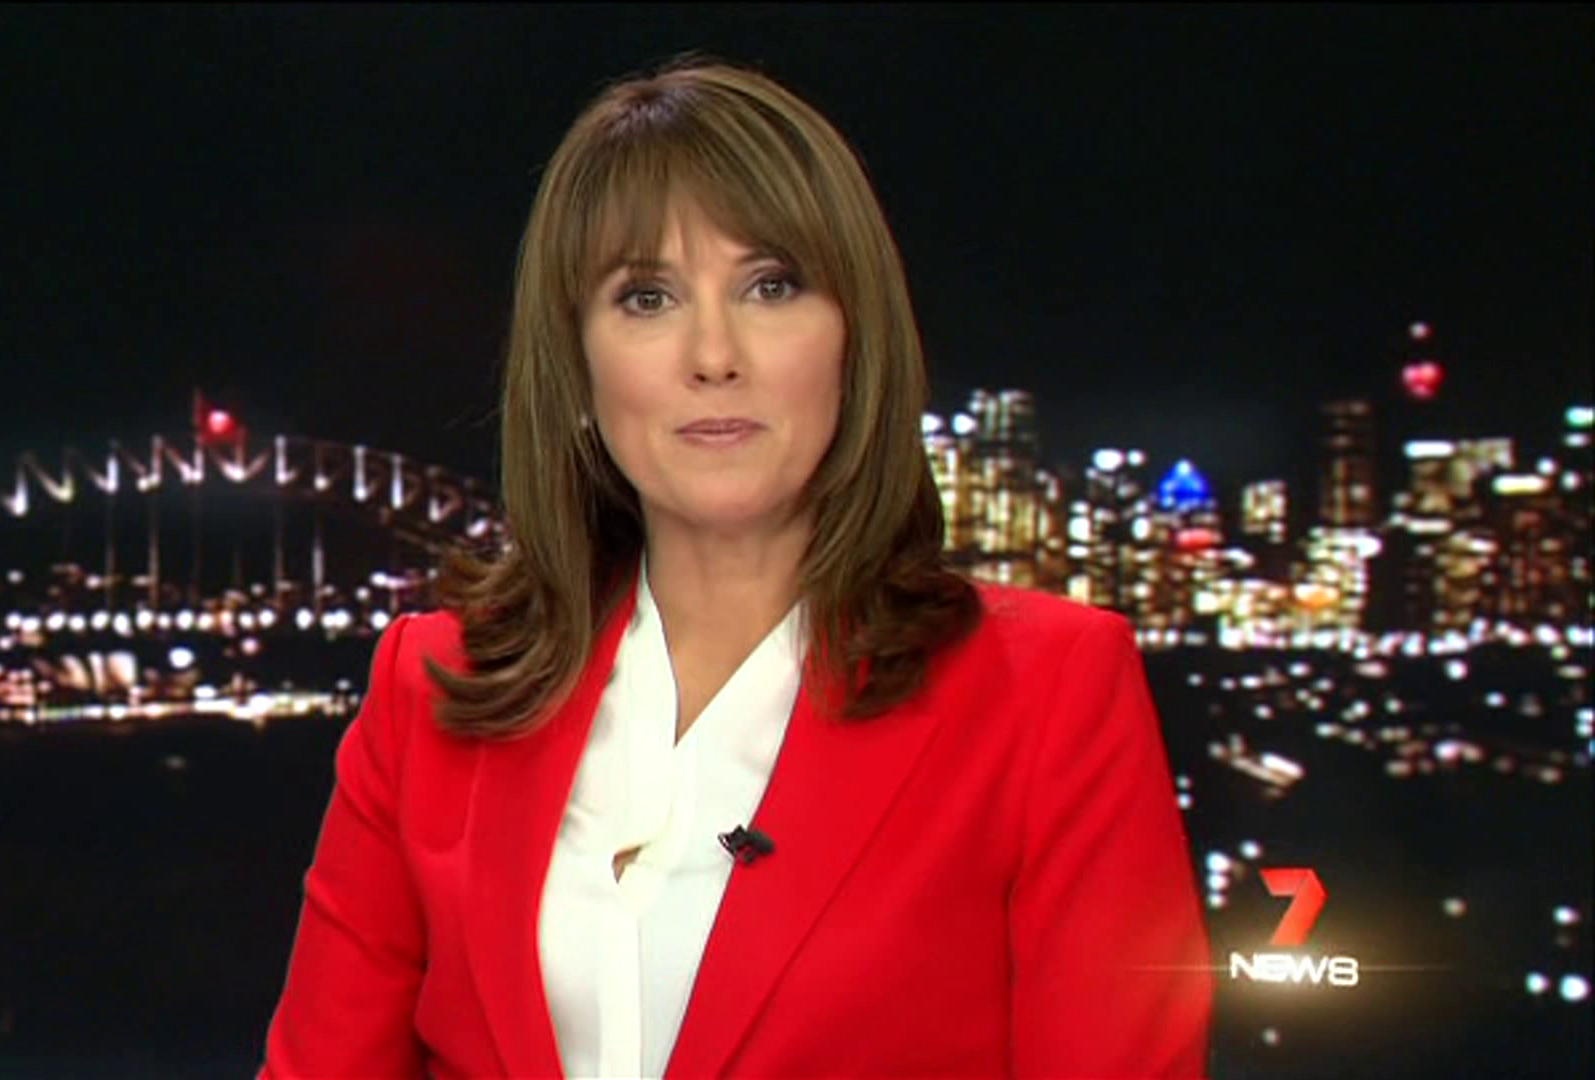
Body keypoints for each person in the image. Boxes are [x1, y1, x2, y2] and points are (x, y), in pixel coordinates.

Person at [260, 57, 1212, 1079]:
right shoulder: (433, 690)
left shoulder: (1049, 694)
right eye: (646, 298)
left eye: (770, 286)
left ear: (854, 339)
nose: (713, 354)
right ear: (577, 364)